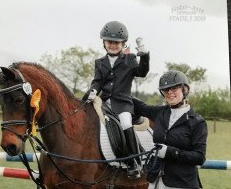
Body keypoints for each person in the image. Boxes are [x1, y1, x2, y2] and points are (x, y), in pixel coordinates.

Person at [82, 21, 150, 178]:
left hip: (123, 104)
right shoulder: (100, 62)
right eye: (109, 42)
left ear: (123, 43)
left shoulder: (130, 59)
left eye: (117, 42)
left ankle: (134, 162)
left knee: (126, 123)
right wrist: (92, 91)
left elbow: (142, 72)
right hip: (104, 103)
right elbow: (97, 81)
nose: (113, 45)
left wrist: (144, 54)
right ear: (104, 43)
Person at [133, 70, 208, 189]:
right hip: (155, 181)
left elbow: (199, 157)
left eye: (174, 88)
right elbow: (139, 106)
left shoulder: (198, 122)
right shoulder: (159, 112)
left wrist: (170, 152)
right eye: (166, 90)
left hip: (181, 183)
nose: (169, 92)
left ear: (185, 89)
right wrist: (118, 86)